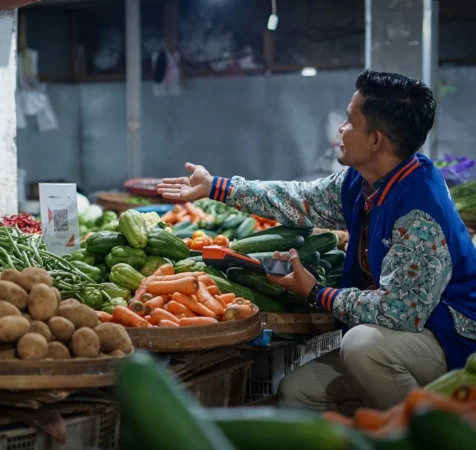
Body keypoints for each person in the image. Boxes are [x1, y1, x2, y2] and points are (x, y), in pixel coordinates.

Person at [158, 69, 476, 414]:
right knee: (298, 391)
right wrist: (217, 187)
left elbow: (397, 314)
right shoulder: (363, 181)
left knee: (361, 346)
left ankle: (429, 433)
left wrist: (315, 292)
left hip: (447, 341)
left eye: (349, 121)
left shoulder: (420, 209)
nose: (341, 129)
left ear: (376, 141)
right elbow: (299, 199)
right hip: (402, 338)